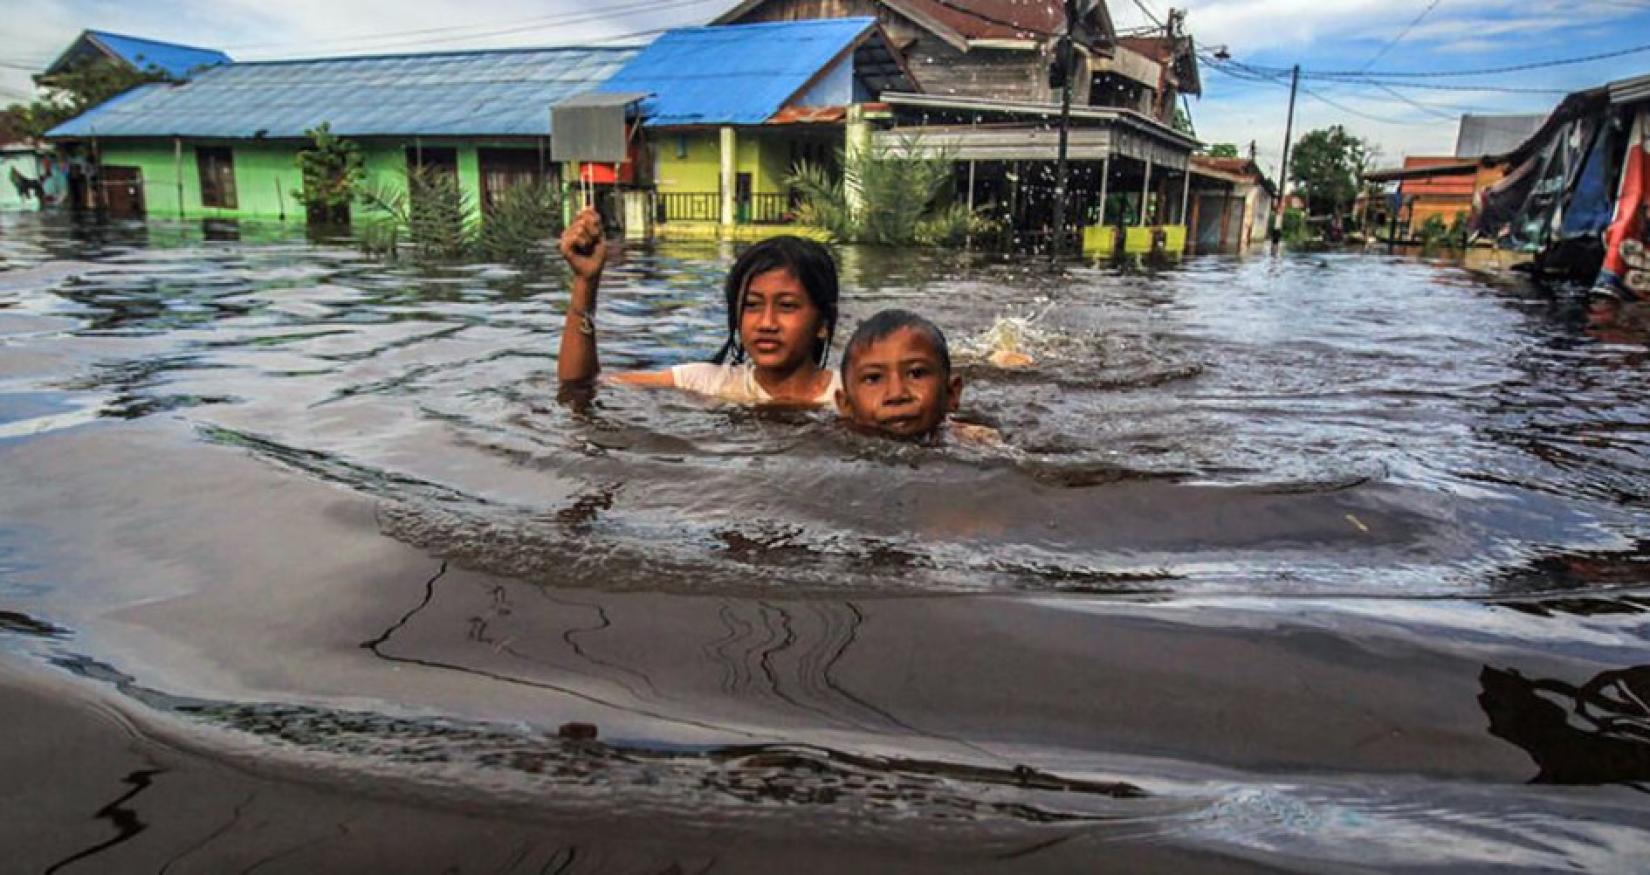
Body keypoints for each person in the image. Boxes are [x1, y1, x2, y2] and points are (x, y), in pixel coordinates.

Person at [556, 207, 841, 406]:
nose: (766, 323)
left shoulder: (850, 396)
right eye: (752, 305)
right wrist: (586, 282)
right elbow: (580, 387)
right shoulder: (706, 384)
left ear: (823, 324)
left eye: (787, 306)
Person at [835, 309, 994, 443]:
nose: (896, 394)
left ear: (951, 393)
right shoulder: (828, 445)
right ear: (846, 405)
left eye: (916, 373)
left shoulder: (977, 445)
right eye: (873, 378)